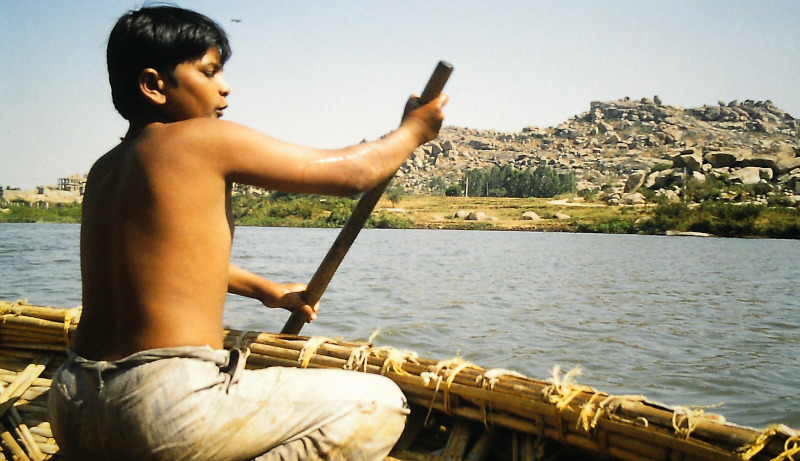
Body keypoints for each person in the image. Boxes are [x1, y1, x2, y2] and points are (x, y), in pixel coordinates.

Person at [47, 5, 447, 461]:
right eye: (210, 71)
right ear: (154, 85)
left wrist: (265, 290)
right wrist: (413, 131)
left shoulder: (104, 170)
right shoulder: (200, 139)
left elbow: (162, 261)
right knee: (381, 403)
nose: (225, 85)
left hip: (73, 400)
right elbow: (354, 174)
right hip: (160, 408)